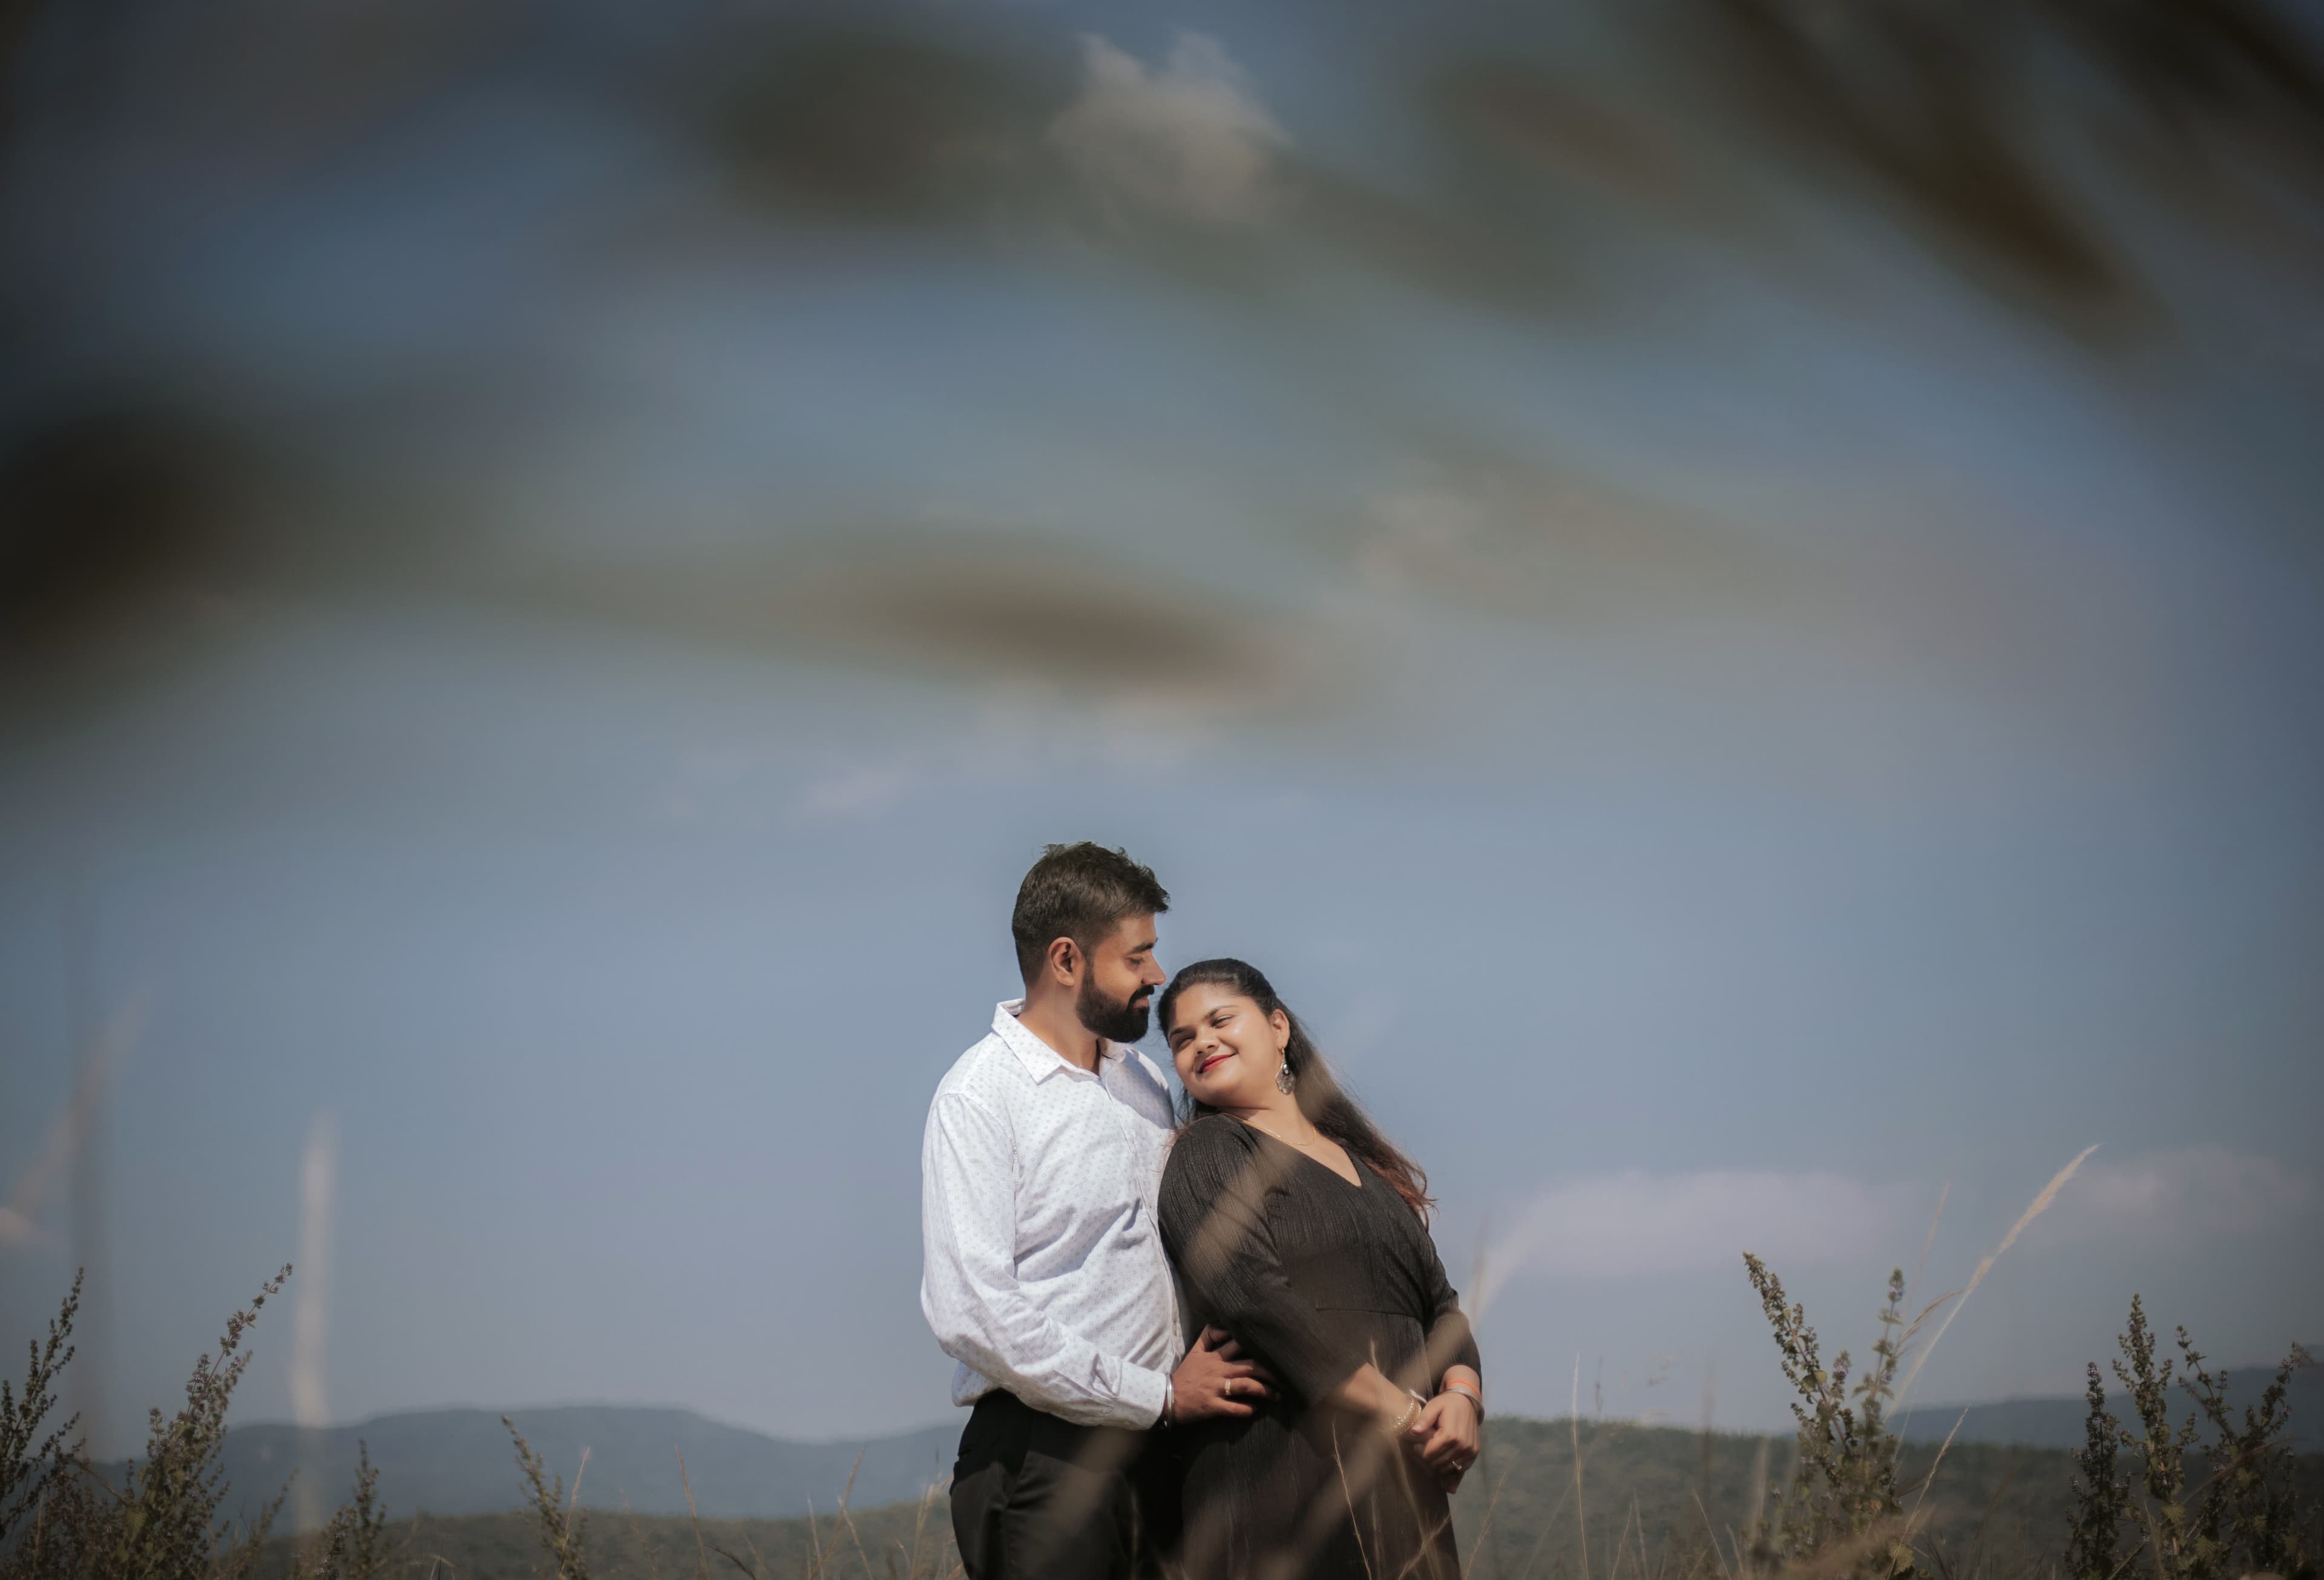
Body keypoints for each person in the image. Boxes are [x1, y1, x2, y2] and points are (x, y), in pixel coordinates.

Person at [921, 844, 1267, 1580]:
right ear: (1068, 960)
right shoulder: (979, 1096)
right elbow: (971, 1312)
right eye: (1137, 956)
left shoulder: (1142, 1077)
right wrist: (1160, 1394)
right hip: (1047, 1463)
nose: (1156, 975)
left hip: (1163, 1455)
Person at [1157, 957, 1484, 1580]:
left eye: (1220, 1019)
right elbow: (1256, 1301)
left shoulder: (1368, 1169)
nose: (1203, 1042)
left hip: (1401, 1481)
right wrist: (1402, 1411)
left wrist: (1462, 1396)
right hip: (1277, 1476)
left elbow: (1440, 1304)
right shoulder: (1209, 1151)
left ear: (1278, 1026)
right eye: (1182, 1039)